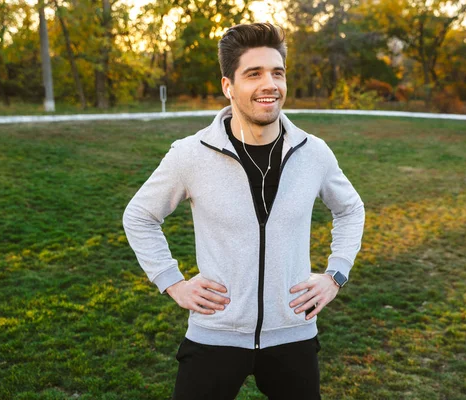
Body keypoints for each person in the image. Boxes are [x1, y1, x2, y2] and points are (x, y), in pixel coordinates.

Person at [122, 22, 365, 400]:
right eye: (254, 74)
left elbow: (350, 208)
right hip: (214, 334)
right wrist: (172, 282)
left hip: (293, 334)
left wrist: (336, 275)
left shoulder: (314, 152)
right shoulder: (190, 154)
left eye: (277, 73)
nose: (270, 84)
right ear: (228, 86)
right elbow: (139, 215)